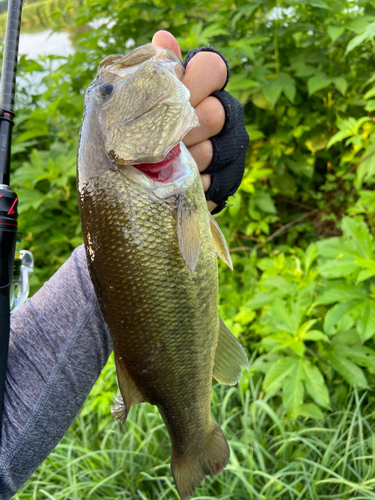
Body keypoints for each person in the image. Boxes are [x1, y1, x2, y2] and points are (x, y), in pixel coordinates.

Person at [0, 30, 249, 499]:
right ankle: (192, 439)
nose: (112, 80)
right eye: (109, 93)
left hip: (152, 246)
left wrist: (191, 199)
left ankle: (191, 435)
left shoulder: (139, 169)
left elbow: (127, 264)